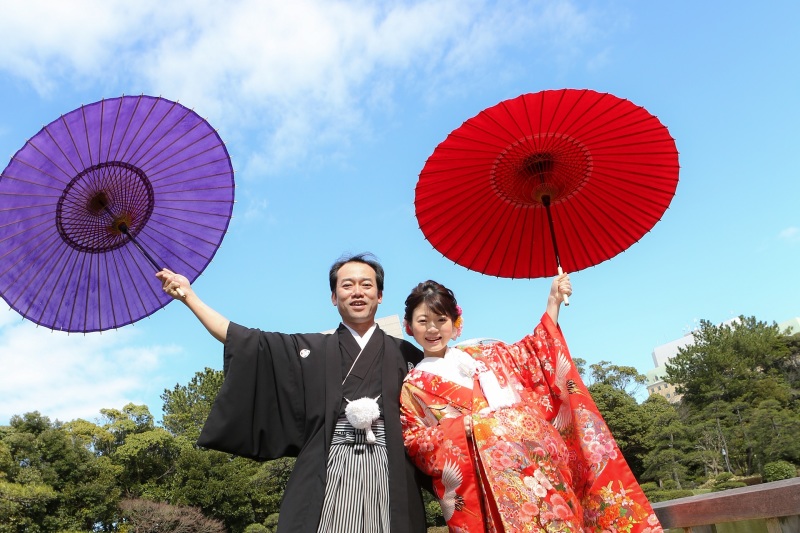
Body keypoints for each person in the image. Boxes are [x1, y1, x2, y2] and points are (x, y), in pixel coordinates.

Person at [156, 253, 428, 533]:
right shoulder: (309, 350)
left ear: (380, 295)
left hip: (390, 469)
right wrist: (190, 297)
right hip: (329, 467)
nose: (357, 292)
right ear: (334, 297)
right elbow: (245, 339)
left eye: (366, 285)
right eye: (347, 286)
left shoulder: (407, 354)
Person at [399, 274, 663, 532]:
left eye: (441, 319)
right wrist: (464, 427)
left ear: (456, 323)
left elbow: (534, 353)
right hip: (489, 488)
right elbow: (415, 442)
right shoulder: (414, 385)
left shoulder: (485, 354)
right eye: (423, 321)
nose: (432, 329)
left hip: (540, 472)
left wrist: (553, 302)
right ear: (409, 326)